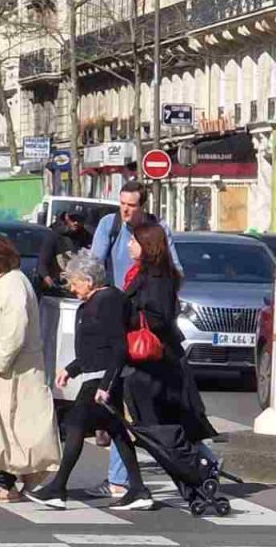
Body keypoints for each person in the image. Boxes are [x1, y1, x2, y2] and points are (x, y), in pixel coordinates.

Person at [25, 250, 154, 511]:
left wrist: (106, 385)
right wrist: (71, 369)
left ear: (89, 280)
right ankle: (139, 490)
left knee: (74, 424)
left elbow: (116, 346)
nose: (72, 288)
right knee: (117, 432)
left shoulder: (107, 301)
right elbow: (92, 347)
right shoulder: (94, 302)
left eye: (74, 282)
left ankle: (58, 488)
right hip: (97, 375)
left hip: (102, 379)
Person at [87, 179, 184, 498]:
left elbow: (175, 270)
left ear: (144, 206)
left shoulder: (156, 232)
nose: (125, 210)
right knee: (129, 401)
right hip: (119, 319)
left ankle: (120, 480)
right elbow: (94, 266)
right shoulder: (109, 225)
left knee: (129, 401)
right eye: (122, 203)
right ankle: (121, 478)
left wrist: (149, 297)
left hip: (140, 327)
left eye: (132, 205)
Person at [0, 233, 60, 504]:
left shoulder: (13, 284)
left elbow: (15, 328)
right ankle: (14, 480)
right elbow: (0, 318)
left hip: (10, 375)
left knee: (8, 428)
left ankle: (4, 484)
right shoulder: (3, 283)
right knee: (8, 428)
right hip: (4, 375)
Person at [122, 224, 217, 444]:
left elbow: (160, 317)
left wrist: (129, 317)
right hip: (148, 361)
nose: (129, 245)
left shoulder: (157, 278)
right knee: (150, 424)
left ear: (147, 246)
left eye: (134, 241)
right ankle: (127, 477)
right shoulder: (141, 273)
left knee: (166, 428)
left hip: (157, 360)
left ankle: (200, 470)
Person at [38, 212, 93, 290]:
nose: (76, 222)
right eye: (73, 219)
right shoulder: (54, 236)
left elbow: (94, 262)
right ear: (67, 217)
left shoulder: (87, 238)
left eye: (79, 220)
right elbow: (42, 262)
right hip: (58, 286)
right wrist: (47, 278)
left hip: (80, 287)